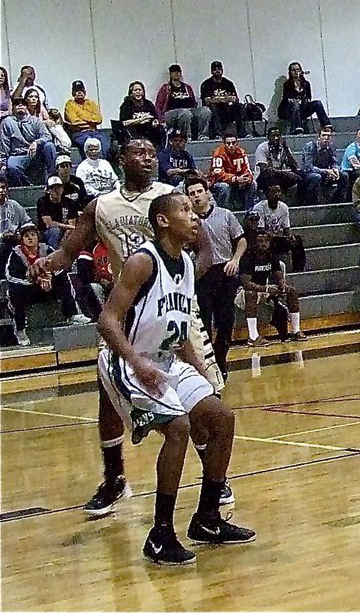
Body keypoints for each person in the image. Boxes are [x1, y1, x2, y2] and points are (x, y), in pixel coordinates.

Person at [30, 139, 226, 517]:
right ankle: (115, 478)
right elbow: (68, 252)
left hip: (173, 309)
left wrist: (179, 282)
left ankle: (214, 480)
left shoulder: (172, 196)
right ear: (121, 160)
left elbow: (204, 251)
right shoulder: (101, 206)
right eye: (140, 152)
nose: (148, 157)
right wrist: (47, 263)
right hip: (128, 309)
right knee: (108, 393)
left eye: (152, 152)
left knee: (206, 400)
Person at [97, 193, 256, 565]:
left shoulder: (185, 263)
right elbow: (107, 321)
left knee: (221, 418)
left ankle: (208, 518)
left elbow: (178, 327)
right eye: (185, 210)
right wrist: (136, 361)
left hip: (167, 359)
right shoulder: (142, 262)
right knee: (179, 427)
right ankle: (160, 535)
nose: (194, 215)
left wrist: (199, 370)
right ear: (163, 221)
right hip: (129, 361)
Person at [186, 175, 246, 380]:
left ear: (207, 193)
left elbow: (241, 240)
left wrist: (235, 260)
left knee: (225, 321)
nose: (196, 196)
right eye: (191, 193)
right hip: (201, 274)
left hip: (225, 270)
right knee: (202, 322)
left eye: (199, 192)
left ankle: (221, 360)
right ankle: (205, 365)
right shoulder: (187, 221)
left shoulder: (225, 215)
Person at [7, 221, 89, 346]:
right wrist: (36, 281)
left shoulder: (47, 249)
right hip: (29, 290)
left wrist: (49, 277)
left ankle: (72, 314)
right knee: (13, 293)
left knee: (64, 278)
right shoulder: (16, 254)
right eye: (26, 236)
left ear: (37, 236)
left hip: (48, 286)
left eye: (32, 234)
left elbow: (60, 267)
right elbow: (12, 278)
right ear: (22, 239)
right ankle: (20, 329)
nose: (30, 238)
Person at [237, 230, 307, 346]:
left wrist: (282, 284)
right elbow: (246, 284)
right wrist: (266, 289)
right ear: (255, 243)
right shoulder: (248, 257)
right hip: (243, 292)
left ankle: (296, 331)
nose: (263, 243)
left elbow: (278, 274)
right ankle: (253, 337)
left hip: (264, 289)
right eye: (260, 241)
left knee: (292, 291)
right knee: (250, 293)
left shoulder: (271, 256)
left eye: (266, 241)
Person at [0, 96, 57, 186]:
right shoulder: (7, 122)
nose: (20, 106)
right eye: (17, 104)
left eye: (23, 104)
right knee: (11, 166)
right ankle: (26, 185)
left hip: (34, 154)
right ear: (13, 108)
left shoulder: (35, 121)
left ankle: (52, 178)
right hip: (17, 155)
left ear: (26, 107)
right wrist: (3, 162)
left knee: (49, 146)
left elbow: (47, 136)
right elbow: (4, 144)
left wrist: (36, 143)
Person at [251, 184, 306, 272]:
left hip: (276, 238)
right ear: (267, 194)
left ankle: (298, 269)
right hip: (262, 240)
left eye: (278, 191)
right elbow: (260, 231)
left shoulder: (284, 207)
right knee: (265, 240)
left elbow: (286, 229)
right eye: (273, 192)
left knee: (297, 240)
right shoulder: (259, 207)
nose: (276, 194)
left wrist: (289, 237)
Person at [155, 64, 211, 141]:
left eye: (178, 71)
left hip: (189, 110)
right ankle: (187, 137)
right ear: (170, 74)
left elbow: (193, 102)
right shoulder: (165, 88)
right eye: (174, 72)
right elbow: (158, 106)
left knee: (205, 110)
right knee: (185, 113)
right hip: (171, 113)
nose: (176, 73)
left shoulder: (187, 88)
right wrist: (161, 120)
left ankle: (202, 136)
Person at [208, 133, 257, 212]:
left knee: (253, 184)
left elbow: (247, 169)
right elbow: (217, 173)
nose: (231, 145)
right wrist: (235, 178)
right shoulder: (218, 153)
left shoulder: (241, 152)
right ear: (224, 144)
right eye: (228, 143)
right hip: (218, 182)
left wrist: (247, 178)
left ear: (237, 143)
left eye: (233, 143)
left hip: (237, 180)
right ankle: (224, 212)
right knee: (225, 187)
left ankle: (249, 211)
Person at [277, 62, 330, 134]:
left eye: (298, 70)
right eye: (294, 70)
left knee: (318, 103)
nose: (296, 72)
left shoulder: (306, 84)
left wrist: (305, 100)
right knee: (295, 104)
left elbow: (309, 98)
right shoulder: (287, 84)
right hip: (289, 110)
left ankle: (326, 125)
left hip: (302, 108)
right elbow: (287, 99)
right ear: (290, 72)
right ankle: (298, 128)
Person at [301, 128, 349, 205]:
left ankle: (338, 200)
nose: (326, 138)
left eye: (328, 136)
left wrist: (335, 169)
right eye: (324, 135)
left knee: (344, 175)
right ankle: (311, 203)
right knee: (316, 177)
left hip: (325, 173)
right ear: (319, 137)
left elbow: (334, 162)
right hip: (309, 174)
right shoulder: (310, 146)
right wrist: (326, 171)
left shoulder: (331, 147)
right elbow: (308, 167)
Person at [64, 80, 110, 157]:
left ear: (85, 92)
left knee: (106, 144)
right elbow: (74, 121)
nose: (79, 92)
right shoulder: (70, 104)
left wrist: (81, 116)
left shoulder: (91, 103)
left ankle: (104, 164)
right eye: (76, 90)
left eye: (81, 90)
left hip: (95, 132)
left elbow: (99, 119)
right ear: (73, 93)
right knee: (92, 144)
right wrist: (91, 121)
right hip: (79, 134)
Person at [254, 127, 303, 199]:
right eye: (273, 136)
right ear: (268, 137)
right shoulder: (262, 148)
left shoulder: (283, 148)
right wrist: (286, 174)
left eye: (278, 136)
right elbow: (265, 169)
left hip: (278, 176)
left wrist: (286, 149)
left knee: (298, 178)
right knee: (272, 178)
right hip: (262, 177)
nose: (276, 138)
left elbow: (294, 167)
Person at [200, 61, 246, 138]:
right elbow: (207, 101)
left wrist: (218, 99)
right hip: (214, 110)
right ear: (211, 71)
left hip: (227, 109)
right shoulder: (206, 84)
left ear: (222, 70)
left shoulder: (228, 83)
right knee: (214, 107)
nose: (217, 71)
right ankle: (218, 134)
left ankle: (242, 133)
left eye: (219, 68)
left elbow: (235, 99)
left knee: (239, 106)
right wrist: (225, 99)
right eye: (215, 69)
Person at [36, 176, 79, 248]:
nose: (57, 190)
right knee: (55, 231)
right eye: (53, 188)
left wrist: (66, 234)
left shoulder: (69, 202)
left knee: (73, 233)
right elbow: (49, 224)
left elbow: (72, 223)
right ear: (48, 190)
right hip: (46, 232)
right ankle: (53, 254)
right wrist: (67, 226)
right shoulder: (43, 202)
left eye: (59, 187)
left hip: (65, 231)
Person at [118, 81, 164, 148]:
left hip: (150, 134)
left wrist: (155, 122)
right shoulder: (126, 105)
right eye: (135, 90)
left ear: (143, 92)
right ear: (131, 93)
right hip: (134, 134)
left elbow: (155, 117)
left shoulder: (148, 104)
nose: (138, 92)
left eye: (140, 90)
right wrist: (141, 119)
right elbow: (124, 123)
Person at [0, 178, 30, 274]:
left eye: (3, 187)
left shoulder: (14, 205)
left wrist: (20, 233)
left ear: (7, 189)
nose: (1, 190)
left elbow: (27, 222)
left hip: (14, 238)